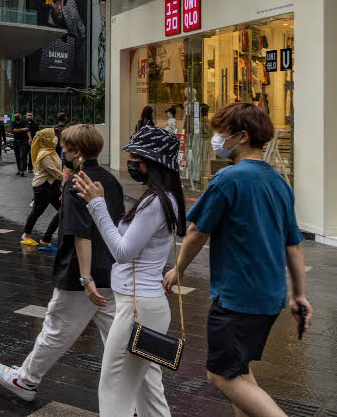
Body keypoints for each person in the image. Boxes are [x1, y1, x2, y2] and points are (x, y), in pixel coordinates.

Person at [162, 103, 310, 416]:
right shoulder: (280, 184)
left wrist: (178, 269)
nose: (217, 138)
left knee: (220, 375)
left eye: (221, 133)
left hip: (237, 298)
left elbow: (196, 232)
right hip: (269, 297)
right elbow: (294, 246)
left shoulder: (228, 179)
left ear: (241, 136)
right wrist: (299, 295)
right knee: (238, 372)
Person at [0, 124, 124, 402]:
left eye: (65, 147)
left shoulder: (78, 181)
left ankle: (26, 380)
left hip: (79, 273)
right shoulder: (111, 181)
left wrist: (85, 278)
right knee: (119, 337)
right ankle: (139, 390)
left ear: (77, 151)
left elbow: (80, 233)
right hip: (111, 270)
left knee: (56, 328)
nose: (61, 151)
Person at [72, 126, 186, 416]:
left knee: (114, 387)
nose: (130, 162)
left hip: (138, 308)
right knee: (148, 389)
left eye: (135, 156)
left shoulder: (156, 202)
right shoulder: (164, 197)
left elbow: (123, 252)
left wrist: (96, 205)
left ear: (152, 162)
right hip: (143, 305)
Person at [21, 128, 62, 250]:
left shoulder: (51, 151)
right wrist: (69, 177)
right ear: (46, 140)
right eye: (52, 137)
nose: (55, 138)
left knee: (63, 210)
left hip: (52, 186)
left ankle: (46, 238)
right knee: (37, 212)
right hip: (43, 187)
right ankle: (26, 236)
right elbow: (54, 171)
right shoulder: (44, 154)